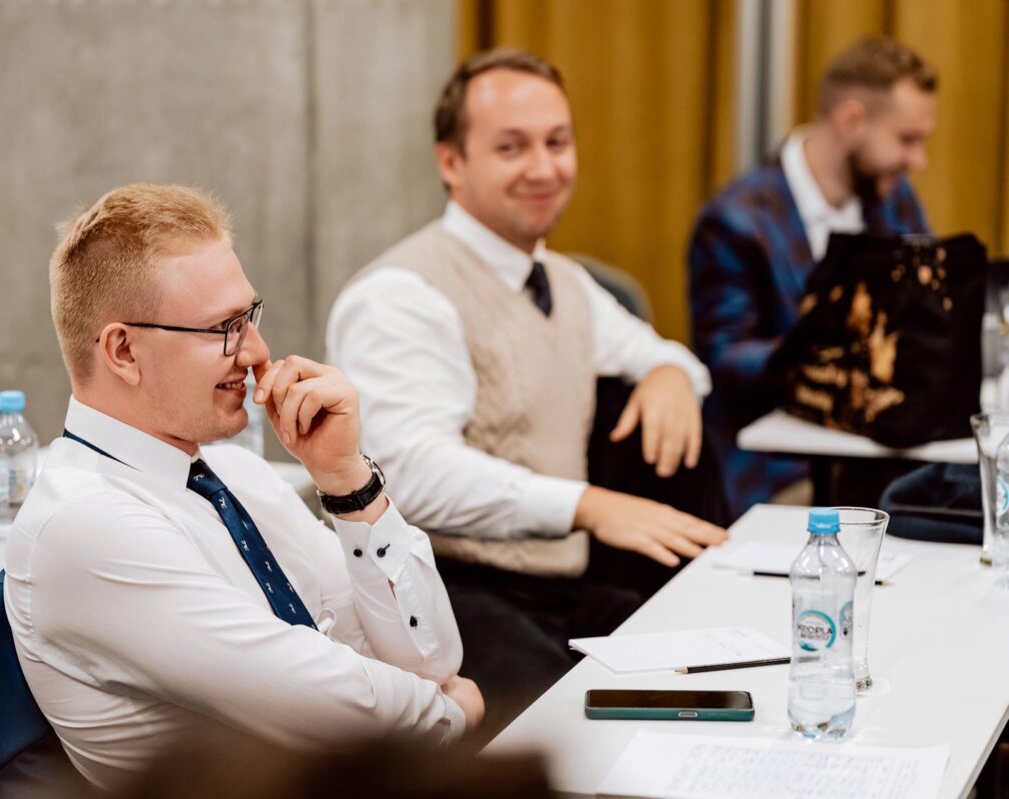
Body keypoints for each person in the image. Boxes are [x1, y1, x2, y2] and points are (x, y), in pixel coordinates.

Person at [3, 182, 483, 792]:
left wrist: (346, 482)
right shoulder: (86, 525)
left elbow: (432, 658)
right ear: (123, 350)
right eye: (223, 328)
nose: (256, 351)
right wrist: (452, 719)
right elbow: (338, 713)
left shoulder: (236, 474)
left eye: (249, 315)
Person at [326, 48, 728, 734]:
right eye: (512, 147)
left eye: (557, 142)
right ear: (451, 163)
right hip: (451, 600)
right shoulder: (401, 295)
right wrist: (589, 505)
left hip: (562, 588)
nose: (544, 168)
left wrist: (668, 375)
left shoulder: (566, 280)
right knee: (576, 746)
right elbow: (410, 474)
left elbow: (670, 357)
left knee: (714, 682)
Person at [688, 36, 936, 518]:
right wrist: (825, 350)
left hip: (887, 454)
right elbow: (722, 361)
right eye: (907, 139)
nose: (917, 160)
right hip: (778, 467)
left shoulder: (894, 200)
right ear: (851, 121)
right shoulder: (737, 221)